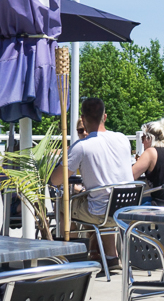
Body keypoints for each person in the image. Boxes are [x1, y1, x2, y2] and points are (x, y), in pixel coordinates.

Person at [56, 97, 133, 269]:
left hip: (100, 212)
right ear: (104, 117)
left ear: (82, 119)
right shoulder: (123, 139)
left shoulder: (82, 146)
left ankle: (72, 257)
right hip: (126, 210)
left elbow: (56, 179)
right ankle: (112, 257)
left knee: (63, 206)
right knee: (103, 200)